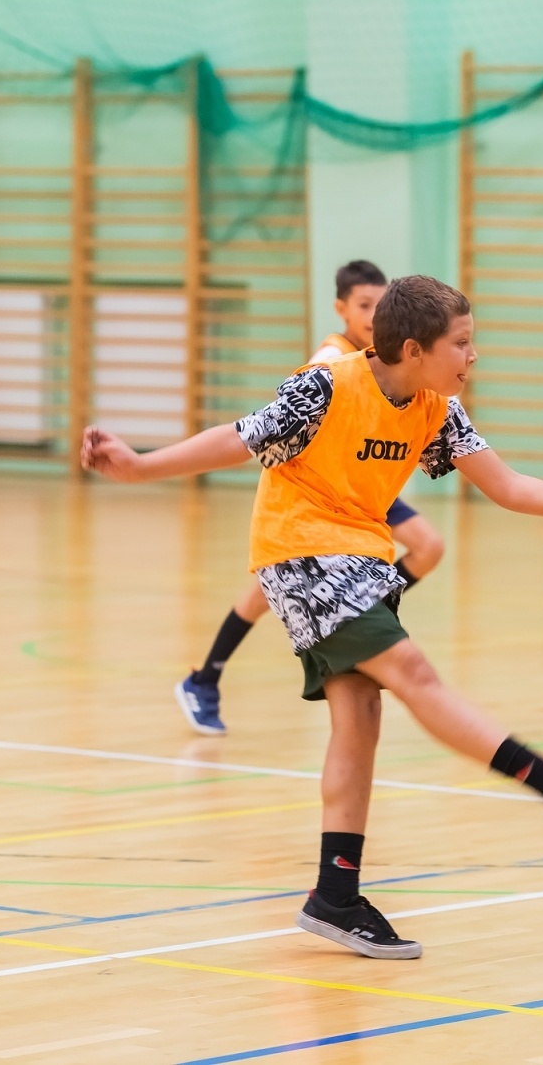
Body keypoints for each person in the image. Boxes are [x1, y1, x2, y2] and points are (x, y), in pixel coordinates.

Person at [83, 275, 543, 959]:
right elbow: (236, 440)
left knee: (360, 720)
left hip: (362, 557)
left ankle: (336, 895)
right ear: (414, 350)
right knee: (412, 671)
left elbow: (505, 485)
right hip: (299, 552)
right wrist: (139, 467)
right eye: (461, 344)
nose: (473, 356)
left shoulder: (436, 408)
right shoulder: (326, 387)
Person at [174, 260, 445, 735]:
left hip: (365, 485)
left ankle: (358, 606)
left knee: (428, 546)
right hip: (321, 490)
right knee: (264, 592)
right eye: (363, 305)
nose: (372, 314)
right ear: (341, 309)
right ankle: (206, 677)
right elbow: (281, 427)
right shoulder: (332, 359)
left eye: (379, 305)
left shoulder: (393, 364)